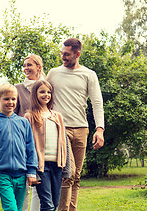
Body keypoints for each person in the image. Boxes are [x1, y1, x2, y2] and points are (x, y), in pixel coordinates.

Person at [47, 38, 105, 211]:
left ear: (77, 54)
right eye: (62, 54)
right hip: (59, 129)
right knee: (68, 174)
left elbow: (97, 103)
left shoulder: (89, 74)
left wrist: (100, 129)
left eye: (67, 54)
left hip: (81, 129)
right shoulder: (53, 73)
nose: (63, 57)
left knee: (76, 176)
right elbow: (42, 96)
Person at [0, 83, 38, 211]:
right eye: (6, 99)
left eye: (13, 99)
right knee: (11, 208)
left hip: (22, 175)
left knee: (18, 208)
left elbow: (30, 148)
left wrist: (31, 170)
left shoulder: (23, 122)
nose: (10, 102)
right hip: (2, 174)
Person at [24, 80, 71, 211]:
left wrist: (66, 169)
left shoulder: (58, 116)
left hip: (57, 166)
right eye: (42, 92)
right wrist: (30, 170)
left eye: (49, 92)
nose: (46, 94)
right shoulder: (29, 117)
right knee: (47, 204)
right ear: (35, 94)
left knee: (55, 204)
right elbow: (27, 144)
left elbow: (65, 143)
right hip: (40, 167)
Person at [14, 54, 45, 211]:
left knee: (40, 183)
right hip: (23, 142)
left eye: (29, 65)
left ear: (39, 67)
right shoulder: (18, 89)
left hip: (42, 142)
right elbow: (11, 114)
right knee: (24, 184)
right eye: (24, 65)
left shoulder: (45, 88)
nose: (26, 68)